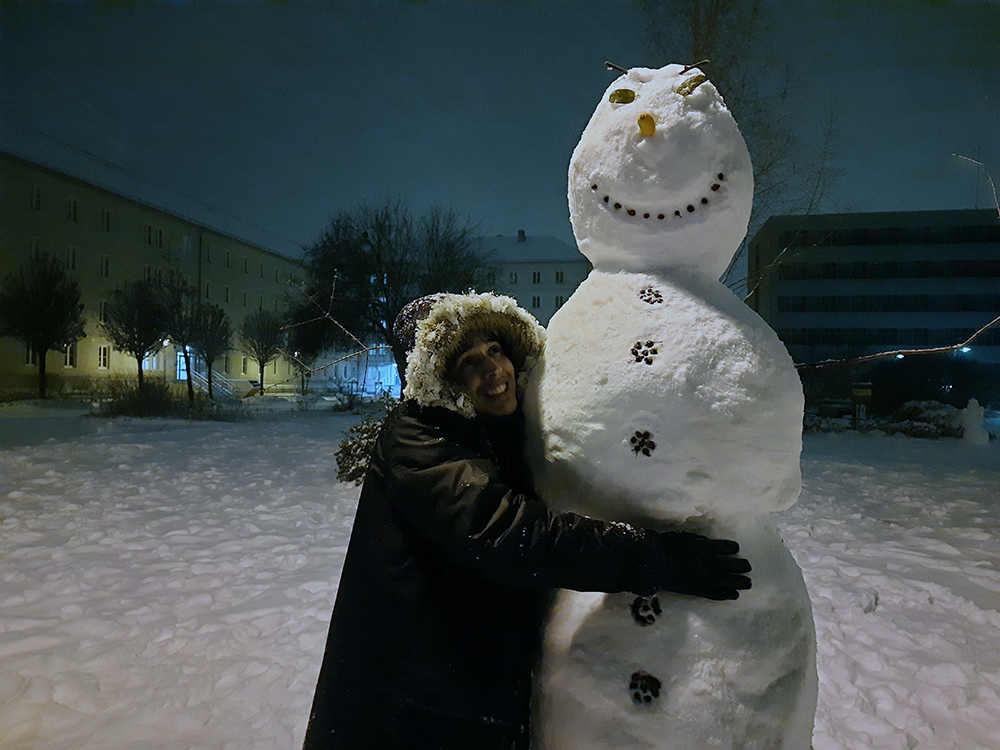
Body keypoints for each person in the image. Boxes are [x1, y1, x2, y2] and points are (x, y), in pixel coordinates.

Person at [302, 292, 751, 750]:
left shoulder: (491, 430)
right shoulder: (418, 442)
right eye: (468, 363)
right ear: (435, 378)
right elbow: (513, 534)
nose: (493, 369)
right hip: (415, 706)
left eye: (495, 350)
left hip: (459, 685)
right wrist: (660, 559)